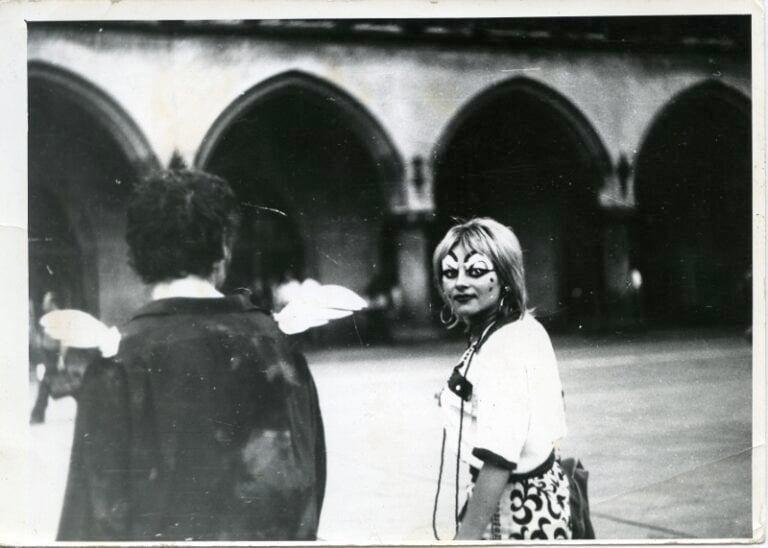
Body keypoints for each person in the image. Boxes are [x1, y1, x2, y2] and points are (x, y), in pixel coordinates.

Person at [57, 169, 326, 541]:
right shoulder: (280, 348)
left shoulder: (118, 365)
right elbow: (309, 483)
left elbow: (94, 518)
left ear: (137, 254)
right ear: (224, 249)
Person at [433, 217, 570, 540]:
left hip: (513, 515)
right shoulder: (523, 326)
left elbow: (499, 460)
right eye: (450, 272)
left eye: (476, 271)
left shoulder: (501, 349)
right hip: (543, 499)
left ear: (505, 276)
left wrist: (465, 539)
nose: (459, 283)